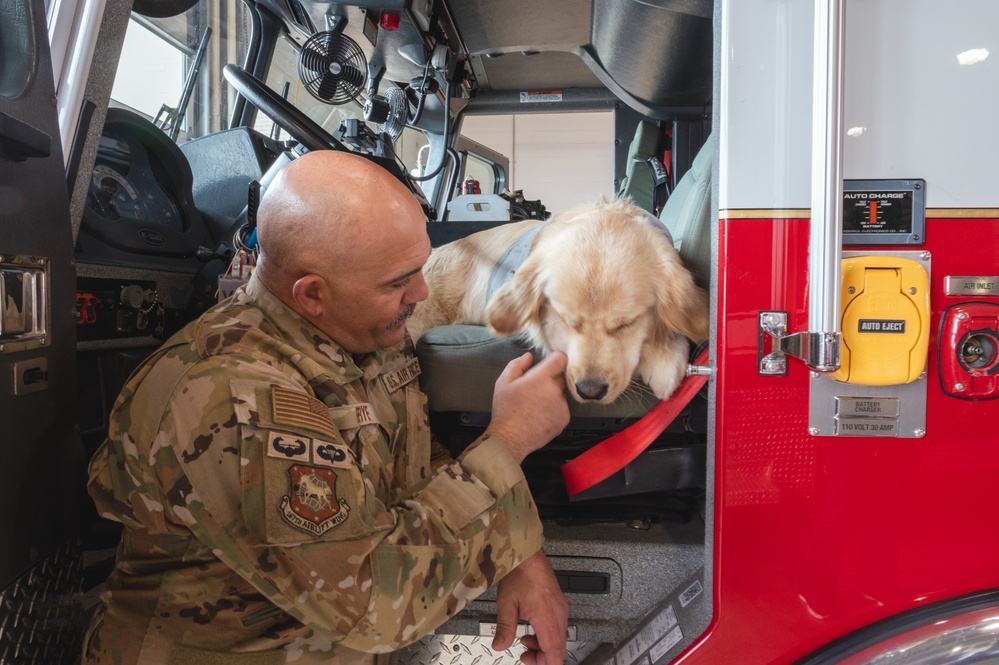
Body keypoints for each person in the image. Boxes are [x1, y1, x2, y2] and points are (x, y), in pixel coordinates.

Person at [84, 150, 571, 665]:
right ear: (312, 294)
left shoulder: (365, 332)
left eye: (420, 267)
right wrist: (510, 439)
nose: (422, 291)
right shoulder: (231, 395)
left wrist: (522, 554)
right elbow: (372, 604)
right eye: (398, 281)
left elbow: (416, 463)